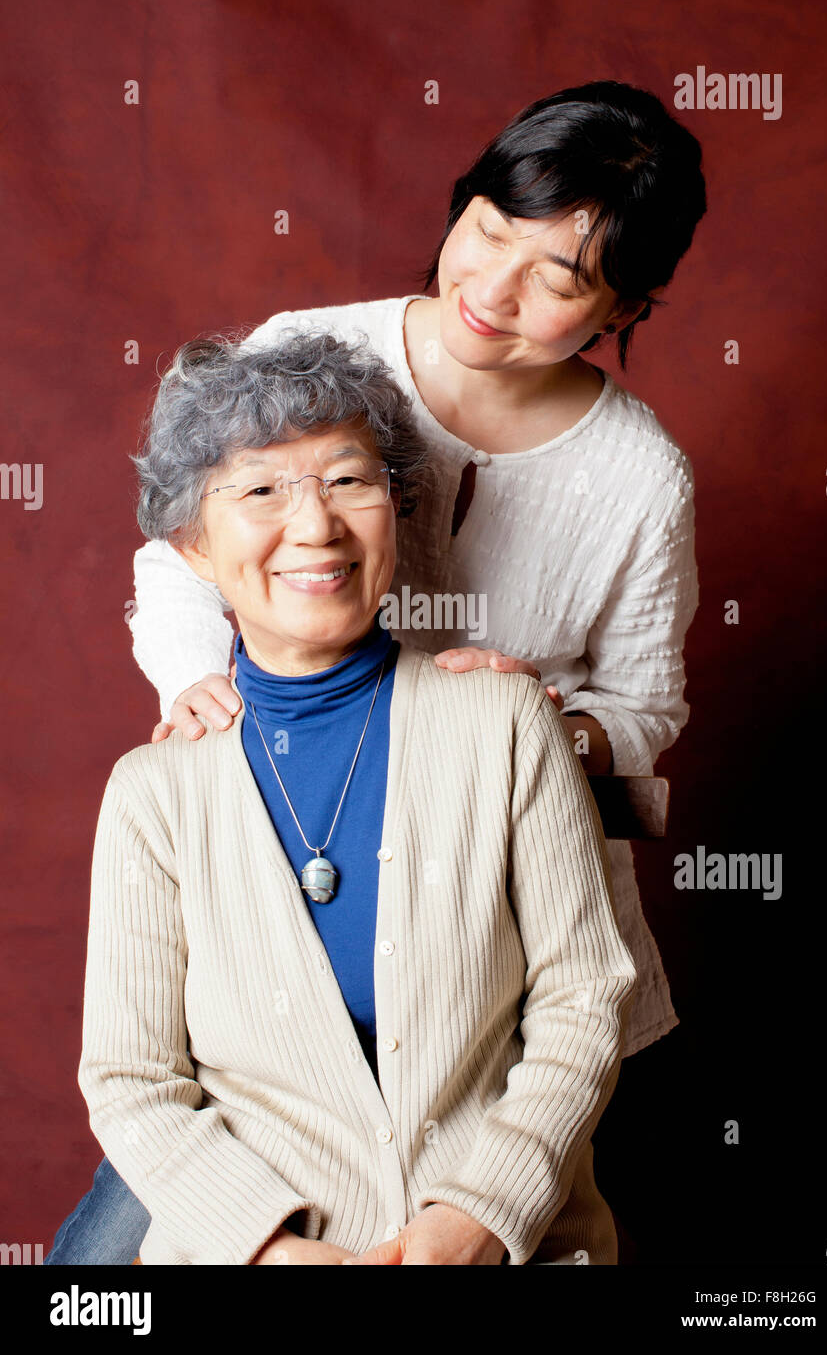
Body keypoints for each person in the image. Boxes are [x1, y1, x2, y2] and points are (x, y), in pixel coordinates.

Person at [46, 78, 703, 1262]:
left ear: (623, 306)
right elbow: (189, 542)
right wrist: (203, 688)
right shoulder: (317, 354)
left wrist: (539, 730)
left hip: (500, 950)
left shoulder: (637, 475)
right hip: (279, 944)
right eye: (488, 230)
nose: (491, 292)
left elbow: (645, 703)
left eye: (557, 279)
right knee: (105, 1267)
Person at [62, 330, 636, 1265]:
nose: (316, 525)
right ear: (194, 549)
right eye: (259, 490)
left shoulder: (504, 722)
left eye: (347, 480)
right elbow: (132, 1080)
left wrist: (480, 1218)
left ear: (397, 510)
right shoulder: (155, 794)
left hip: (507, 1242)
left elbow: (584, 995)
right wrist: (269, 1247)